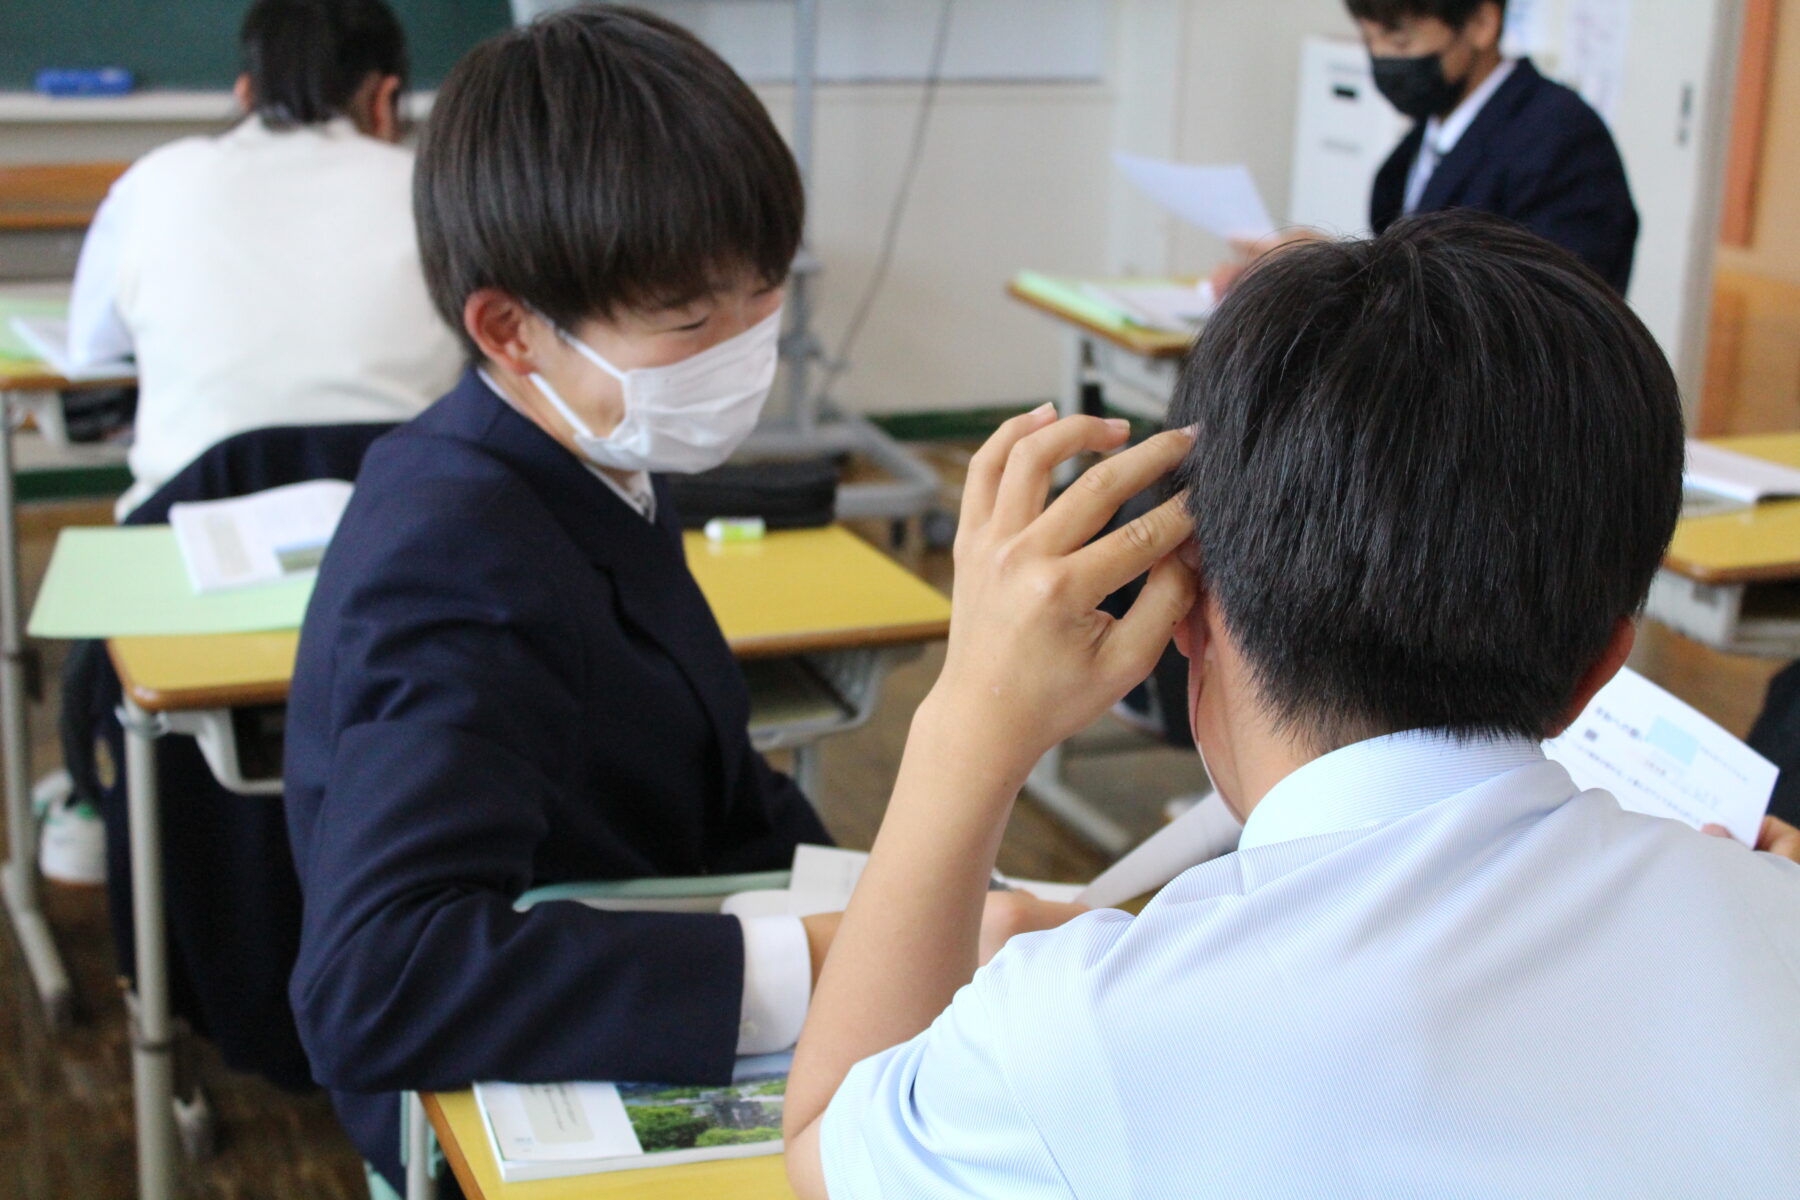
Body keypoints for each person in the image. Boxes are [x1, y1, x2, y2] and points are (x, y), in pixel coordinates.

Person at [783, 212, 1800, 1198]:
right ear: (1601, 670)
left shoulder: (1084, 1036)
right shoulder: (1770, 911)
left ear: (1188, 611)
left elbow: (829, 1142)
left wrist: (968, 721)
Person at [281, 8, 1077, 1191]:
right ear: (510, 331)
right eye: (694, 319)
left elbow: (704, 786)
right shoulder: (457, 553)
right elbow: (378, 983)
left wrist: (916, 913)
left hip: (662, 949)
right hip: (491, 1114)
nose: (748, 343)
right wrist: (824, 958)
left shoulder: (591, 462)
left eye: (761, 295)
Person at [67, 0, 460, 520]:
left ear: (245, 91)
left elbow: (92, 354)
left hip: (182, 527)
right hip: (399, 522)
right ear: (384, 97)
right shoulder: (439, 192)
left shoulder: (156, 182)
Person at [1215, 0, 1637, 294]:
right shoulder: (1426, 138)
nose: (1382, 59)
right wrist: (1294, 282)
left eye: (1401, 43)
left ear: (1481, 25)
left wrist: (1339, 269)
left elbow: (1540, 315)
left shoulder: (1563, 139)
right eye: (1370, 41)